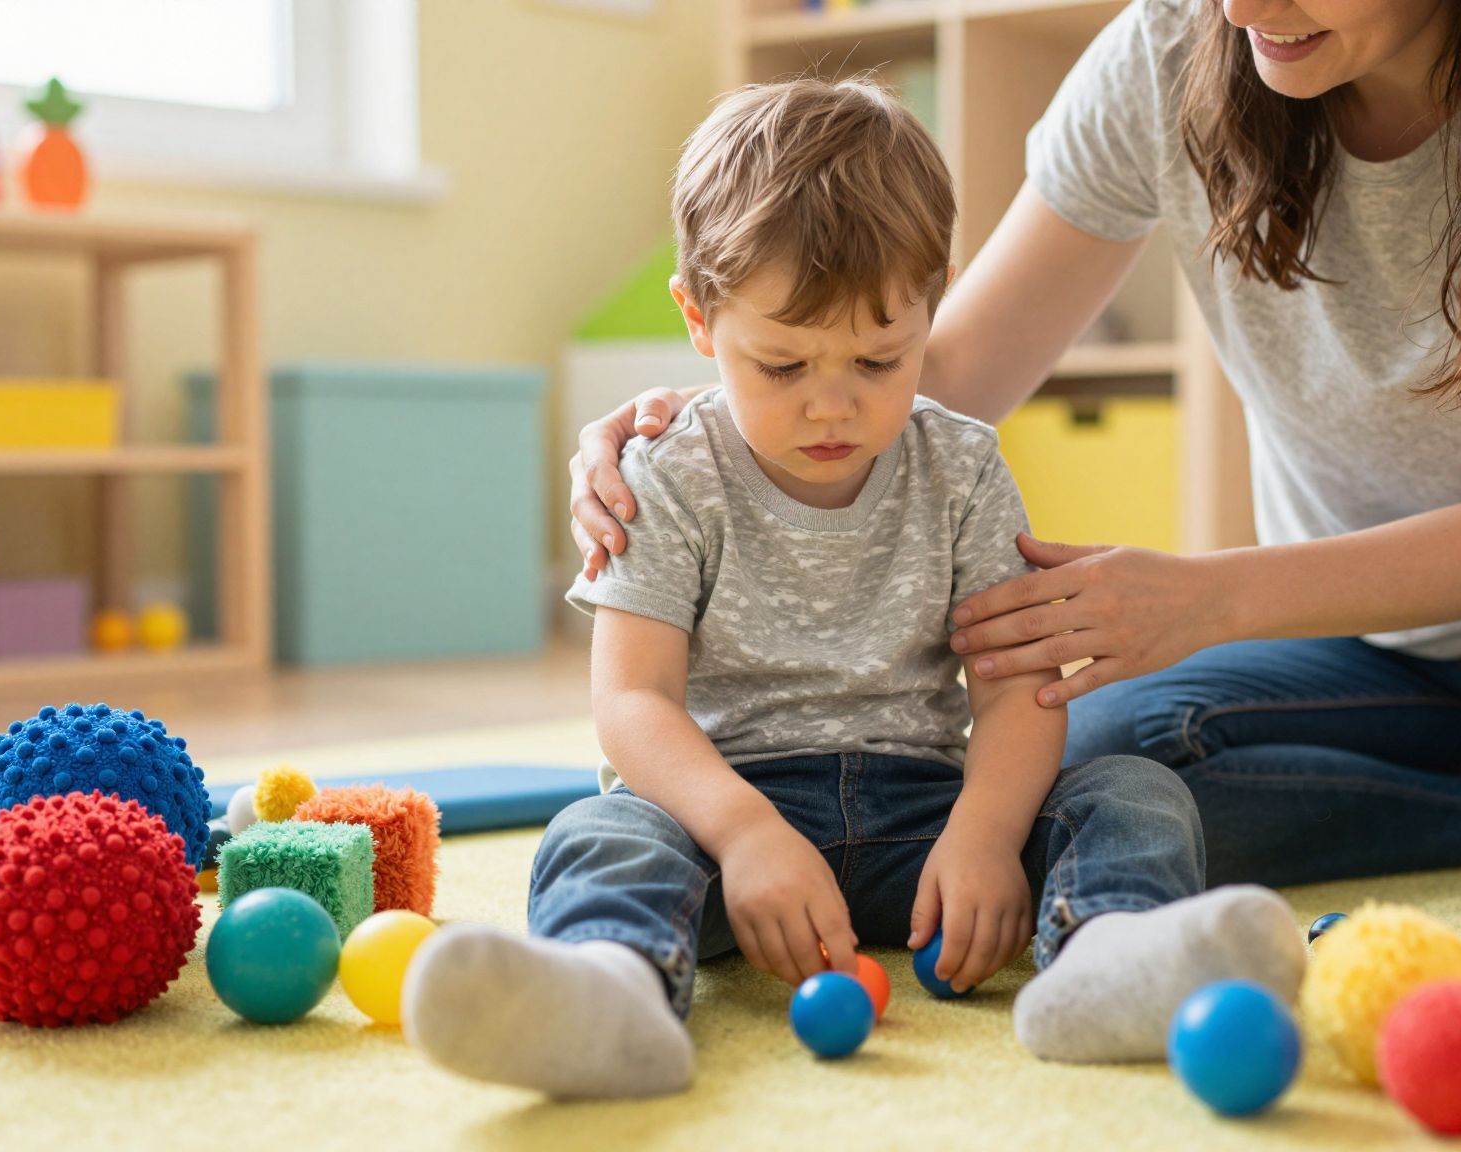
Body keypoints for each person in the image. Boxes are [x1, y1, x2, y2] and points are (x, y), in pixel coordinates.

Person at [571, 0, 1461, 946]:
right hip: (1368, 631)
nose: (1240, 4)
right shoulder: (1171, 50)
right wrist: (697, 436)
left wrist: (1204, 598)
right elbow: (944, 371)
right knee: (1064, 790)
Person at [404, 76, 1303, 1100]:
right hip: (724, 817)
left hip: (924, 816)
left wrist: (984, 833)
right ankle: (613, 993)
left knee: (1131, 793)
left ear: (934, 301)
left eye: (878, 360)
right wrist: (745, 833)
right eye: (781, 367)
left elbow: (1017, 683)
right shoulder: (665, 473)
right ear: (698, 319)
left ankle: (1106, 963)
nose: (831, 407)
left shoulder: (963, 466)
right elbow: (632, 702)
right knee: (598, 831)